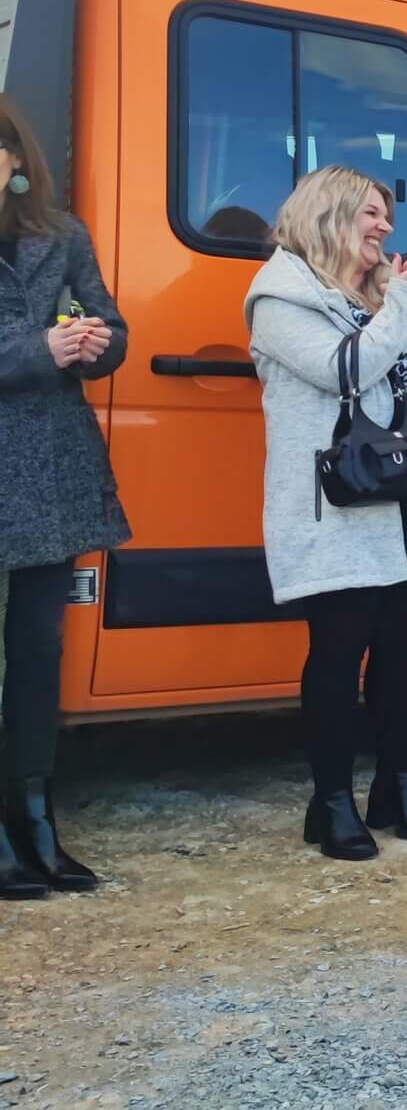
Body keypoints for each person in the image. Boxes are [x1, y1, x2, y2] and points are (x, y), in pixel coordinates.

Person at [247, 166, 407, 859]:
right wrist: (406, 302)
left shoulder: (386, 294)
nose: (385, 226)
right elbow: (347, 369)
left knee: (401, 648)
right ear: (331, 214)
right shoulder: (280, 296)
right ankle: (331, 802)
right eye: (371, 214)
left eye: (385, 215)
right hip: (343, 505)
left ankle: (398, 784)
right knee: (338, 651)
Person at [0, 109, 125, 896]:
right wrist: (37, 349)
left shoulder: (62, 233)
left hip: (47, 466)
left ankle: (33, 815)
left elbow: (110, 321)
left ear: (16, 157)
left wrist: (95, 339)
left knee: (38, 650)